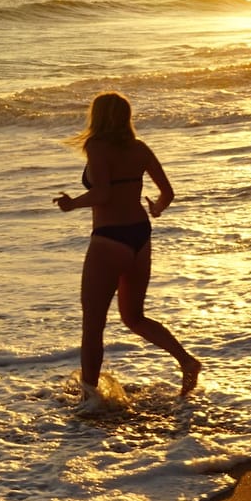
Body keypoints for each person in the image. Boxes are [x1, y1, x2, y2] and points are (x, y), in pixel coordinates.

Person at [53, 91, 203, 397]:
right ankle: (186, 361)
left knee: (93, 326)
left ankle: (90, 399)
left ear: (98, 117)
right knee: (134, 316)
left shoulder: (96, 146)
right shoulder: (140, 149)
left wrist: (72, 204)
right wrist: (157, 207)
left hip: (110, 239)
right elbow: (167, 193)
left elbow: (103, 194)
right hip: (140, 237)